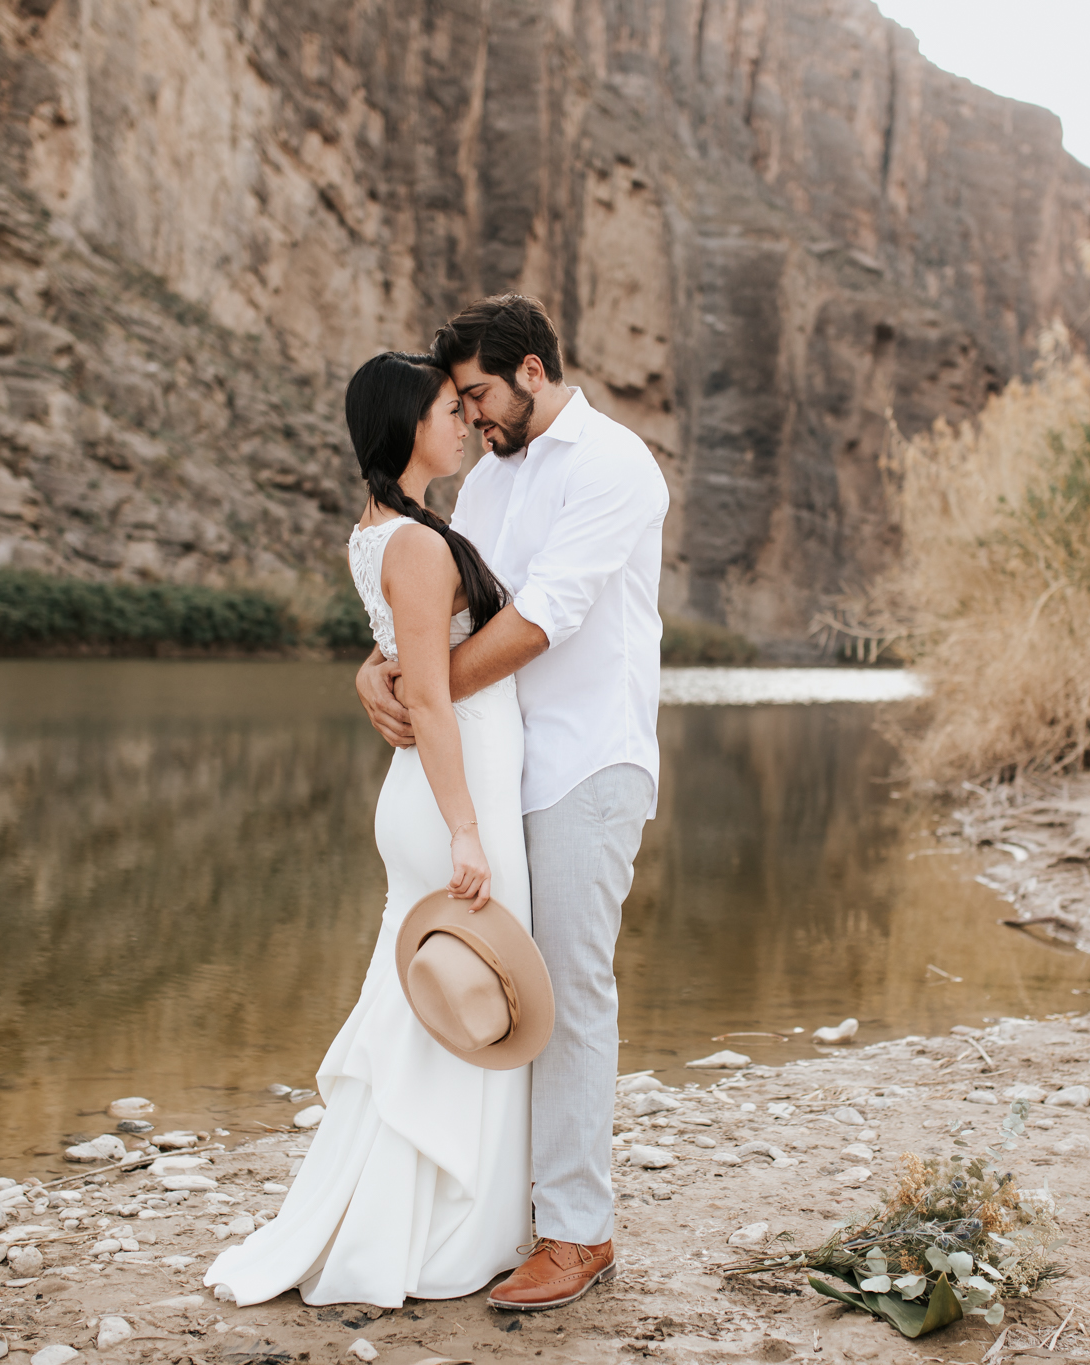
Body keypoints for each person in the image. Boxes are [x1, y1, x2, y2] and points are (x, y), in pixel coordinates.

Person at [357, 294, 669, 1311]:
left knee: (568, 992)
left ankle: (578, 1233)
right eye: (459, 402)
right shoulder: (487, 480)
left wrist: (424, 684)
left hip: (583, 765)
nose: (473, 417)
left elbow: (539, 621)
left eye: (480, 393)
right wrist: (378, 669)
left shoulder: (615, 466)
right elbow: (441, 606)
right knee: (493, 989)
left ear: (531, 371)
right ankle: (494, 1218)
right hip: (497, 773)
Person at [204, 351, 534, 1309]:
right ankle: (421, 1232)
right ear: (406, 426)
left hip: (436, 790)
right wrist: (467, 830)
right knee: (444, 998)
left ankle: (437, 1218)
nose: (466, 420)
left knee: (430, 1001)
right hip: (449, 793)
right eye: (446, 407)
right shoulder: (420, 544)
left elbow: (404, 661)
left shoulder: (391, 531)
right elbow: (430, 698)